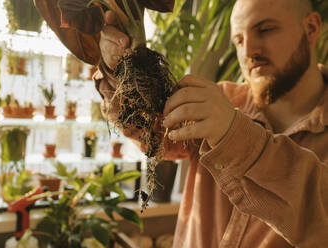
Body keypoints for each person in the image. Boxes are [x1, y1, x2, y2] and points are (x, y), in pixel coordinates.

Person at [95, 0, 328, 247]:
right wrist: (116, 74)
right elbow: (149, 132)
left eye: (266, 29)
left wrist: (237, 137)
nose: (249, 50)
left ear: (311, 28)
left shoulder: (222, 112)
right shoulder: (222, 99)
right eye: (238, 40)